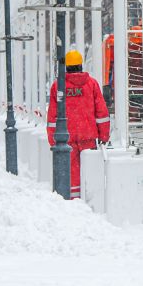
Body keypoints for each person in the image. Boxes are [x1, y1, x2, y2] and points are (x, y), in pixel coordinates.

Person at [45, 50, 111, 199]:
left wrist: (53, 139)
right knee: (90, 170)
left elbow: (52, 117)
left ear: (66, 67)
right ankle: (90, 199)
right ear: (81, 65)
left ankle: (73, 202)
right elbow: (102, 113)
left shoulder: (58, 87)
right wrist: (104, 136)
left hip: (66, 140)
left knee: (72, 174)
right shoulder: (92, 84)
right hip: (88, 137)